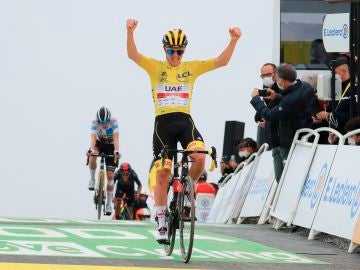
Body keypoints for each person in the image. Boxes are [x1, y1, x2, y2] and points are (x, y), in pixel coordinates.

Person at [126, 18, 241, 243]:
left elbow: (221, 61)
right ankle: (160, 220)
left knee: (200, 157)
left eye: (179, 51)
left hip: (185, 122)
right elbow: (133, 55)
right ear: (165, 49)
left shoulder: (191, 68)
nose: (176, 56)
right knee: (162, 174)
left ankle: (187, 193)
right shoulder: (155, 67)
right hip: (163, 125)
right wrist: (130, 32)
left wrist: (234, 40)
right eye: (171, 51)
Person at [250, 64, 316, 180]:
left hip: (289, 142)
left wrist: (255, 99)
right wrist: (277, 96)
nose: (275, 81)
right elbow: (292, 106)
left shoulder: (291, 99)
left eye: (276, 78)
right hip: (283, 140)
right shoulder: (304, 86)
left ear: (284, 81)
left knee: (284, 178)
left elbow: (269, 115)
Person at [87, 106, 120, 215]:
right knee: (93, 155)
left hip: (110, 146)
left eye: (106, 122)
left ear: (109, 119)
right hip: (99, 144)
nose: (104, 124)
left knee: (110, 178)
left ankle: (109, 204)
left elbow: (116, 138)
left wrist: (116, 151)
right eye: (101, 122)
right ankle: (92, 179)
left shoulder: (114, 122)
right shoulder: (94, 122)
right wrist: (91, 149)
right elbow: (93, 138)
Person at [254, 63, 282, 182]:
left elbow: (274, 111)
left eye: (268, 74)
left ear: (276, 74)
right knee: (279, 177)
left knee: (283, 176)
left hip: (284, 138)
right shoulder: (265, 90)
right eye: (263, 75)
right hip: (273, 140)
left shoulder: (282, 88)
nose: (266, 77)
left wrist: (255, 100)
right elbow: (263, 111)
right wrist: (259, 119)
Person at [314, 56, 352, 138]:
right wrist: (316, 116)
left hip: (346, 134)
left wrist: (329, 115)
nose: (332, 75)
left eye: (334, 72)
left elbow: (352, 115)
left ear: (343, 71)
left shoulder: (354, 88)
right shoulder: (334, 85)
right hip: (333, 132)